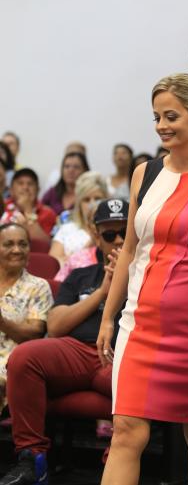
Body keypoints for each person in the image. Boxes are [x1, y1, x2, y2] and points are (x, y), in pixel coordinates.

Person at [96, 73, 188, 485]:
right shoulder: (143, 174)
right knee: (126, 431)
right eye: (157, 117)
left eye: (171, 116)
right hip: (139, 323)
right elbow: (129, 251)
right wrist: (109, 316)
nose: (161, 126)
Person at [0, 199, 128, 485]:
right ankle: (33, 460)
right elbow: (56, 326)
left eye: (124, 232)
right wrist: (102, 292)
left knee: (137, 379)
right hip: (76, 350)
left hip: (122, 353)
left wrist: (125, 279)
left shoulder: (148, 277)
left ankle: (120, 463)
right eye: (110, 234)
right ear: (97, 237)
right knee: (24, 357)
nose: (118, 241)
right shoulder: (82, 275)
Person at [0, 223, 53, 413]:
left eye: (23, 244)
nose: (17, 250)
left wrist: (2, 322)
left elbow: (34, 334)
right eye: (8, 244)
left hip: (12, 363)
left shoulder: (38, 286)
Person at [49, 171, 107, 266]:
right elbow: (52, 263)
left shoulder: (113, 230)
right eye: (86, 200)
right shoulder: (66, 229)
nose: (92, 204)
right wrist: (91, 243)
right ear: (79, 204)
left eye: (97, 199)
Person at [1, 169, 56, 242]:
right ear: (11, 190)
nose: (25, 187)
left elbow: (44, 244)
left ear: (38, 190)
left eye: (30, 184)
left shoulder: (48, 213)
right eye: (20, 183)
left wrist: (28, 209)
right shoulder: (2, 206)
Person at [41, 151, 90, 216]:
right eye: (67, 166)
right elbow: (38, 209)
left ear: (85, 171)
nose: (71, 170)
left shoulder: (90, 194)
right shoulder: (52, 192)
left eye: (76, 167)